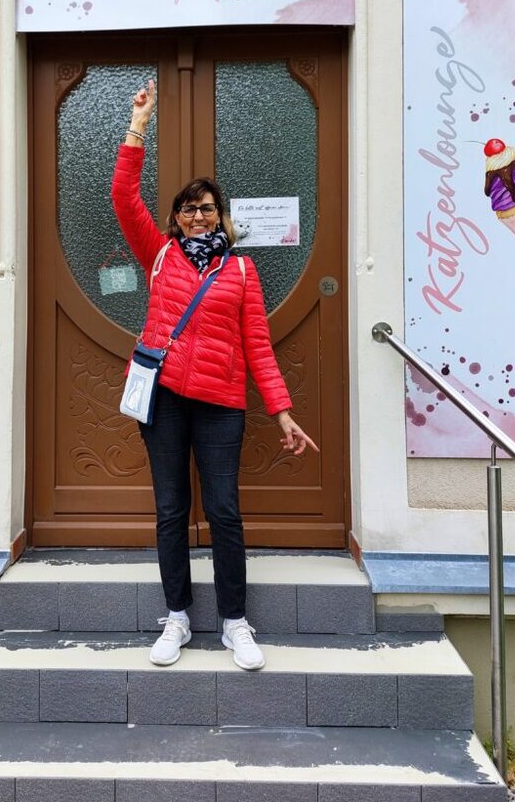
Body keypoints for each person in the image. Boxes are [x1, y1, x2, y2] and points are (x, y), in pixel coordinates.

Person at [111, 79, 318, 671]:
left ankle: (234, 622)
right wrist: (139, 124)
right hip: (165, 400)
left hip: (222, 403)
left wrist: (281, 412)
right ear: (176, 219)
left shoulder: (243, 272)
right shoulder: (159, 254)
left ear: (221, 216)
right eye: (188, 209)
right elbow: (123, 194)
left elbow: (258, 347)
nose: (198, 216)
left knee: (224, 511)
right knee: (172, 511)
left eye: (207, 208)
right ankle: (177, 616)